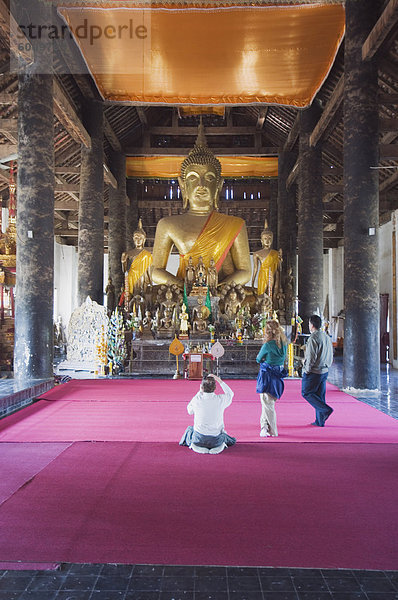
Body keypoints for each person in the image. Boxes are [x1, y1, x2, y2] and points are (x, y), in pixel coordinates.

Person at [151, 122, 251, 289]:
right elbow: (155, 270)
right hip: (183, 293)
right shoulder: (167, 225)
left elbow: (245, 272)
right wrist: (183, 287)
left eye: (210, 178)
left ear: (219, 186)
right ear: (183, 186)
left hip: (221, 293)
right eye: (193, 177)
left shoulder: (235, 224)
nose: (201, 184)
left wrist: (216, 288)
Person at [179, 373, 236, 454]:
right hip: (216, 439)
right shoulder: (220, 399)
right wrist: (218, 379)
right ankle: (219, 446)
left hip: (199, 439)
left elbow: (189, 411)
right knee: (228, 437)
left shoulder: (197, 399)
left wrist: (199, 392)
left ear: (202, 387)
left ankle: (194, 445)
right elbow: (230, 394)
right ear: (215, 388)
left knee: (189, 430)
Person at [256, 320, 288, 437]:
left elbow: (258, 359)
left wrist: (265, 360)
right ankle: (264, 427)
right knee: (268, 403)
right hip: (278, 376)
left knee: (268, 404)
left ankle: (273, 431)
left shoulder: (268, 345)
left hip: (267, 377)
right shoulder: (284, 343)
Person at [301, 314, 334, 427]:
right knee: (320, 395)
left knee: (306, 393)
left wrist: (306, 370)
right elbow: (330, 353)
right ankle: (320, 421)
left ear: (311, 325)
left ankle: (325, 410)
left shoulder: (313, 338)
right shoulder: (326, 336)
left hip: (314, 371)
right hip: (324, 370)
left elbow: (311, 357)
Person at [121, 218, 153, 297]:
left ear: (144, 240)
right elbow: (124, 271)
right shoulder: (128, 253)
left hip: (142, 277)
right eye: (136, 238)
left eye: (140, 238)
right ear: (133, 239)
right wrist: (123, 262)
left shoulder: (147, 254)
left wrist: (151, 282)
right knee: (130, 295)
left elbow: (148, 269)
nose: (138, 240)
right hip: (131, 276)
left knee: (141, 294)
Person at [251, 219, 281, 297]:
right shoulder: (256, 254)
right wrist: (252, 283)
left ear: (272, 240)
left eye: (269, 238)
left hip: (272, 274)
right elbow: (255, 269)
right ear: (261, 240)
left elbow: (278, 270)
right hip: (262, 275)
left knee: (271, 294)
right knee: (262, 295)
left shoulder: (276, 253)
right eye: (265, 239)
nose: (267, 241)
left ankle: (272, 307)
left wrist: (278, 284)